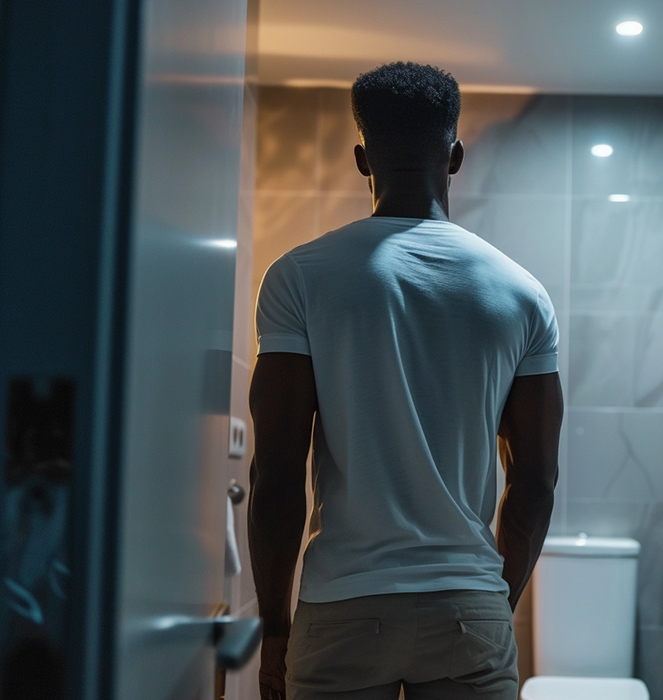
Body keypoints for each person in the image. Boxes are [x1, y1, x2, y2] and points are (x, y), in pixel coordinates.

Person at [248, 62, 562, 700]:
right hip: (466, 608)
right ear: (456, 157)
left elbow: (276, 476)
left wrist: (275, 630)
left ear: (362, 159)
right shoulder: (522, 293)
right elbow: (535, 482)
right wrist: (492, 603)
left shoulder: (298, 277)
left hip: (340, 608)